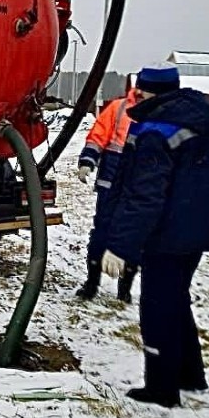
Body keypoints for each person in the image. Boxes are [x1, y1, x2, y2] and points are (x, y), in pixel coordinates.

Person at [98, 63, 209, 408]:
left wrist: (119, 247)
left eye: (139, 92)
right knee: (176, 299)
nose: (135, 97)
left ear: (149, 93)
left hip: (169, 234)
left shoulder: (156, 130)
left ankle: (162, 388)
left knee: (158, 306)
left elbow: (145, 196)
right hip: (198, 229)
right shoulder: (203, 116)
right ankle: (190, 374)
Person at [75, 87, 139, 302]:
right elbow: (98, 135)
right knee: (102, 231)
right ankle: (91, 284)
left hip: (138, 186)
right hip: (110, 182)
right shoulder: (118, 107)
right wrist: (87, 160)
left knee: (132, 234)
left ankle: (125, 289)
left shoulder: (159, 113)